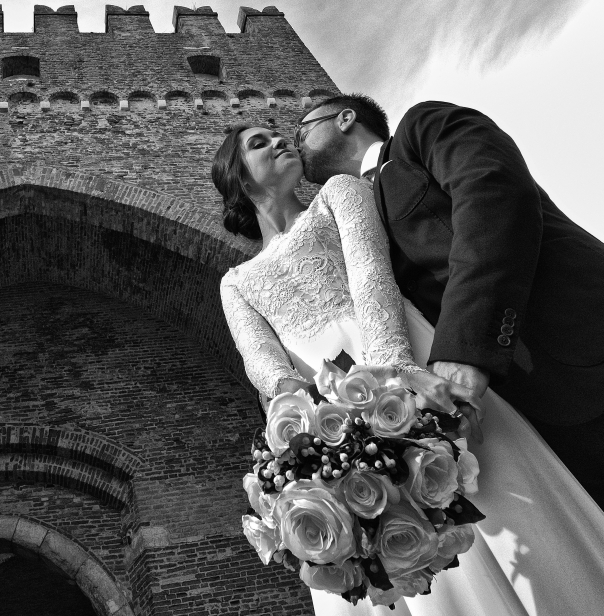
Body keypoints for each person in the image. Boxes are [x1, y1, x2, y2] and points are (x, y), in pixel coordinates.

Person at [214, 123, 604, 615]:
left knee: (494, 490)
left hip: (399, 347)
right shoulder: (235, 283)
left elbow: (372, 276)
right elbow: (269, 372)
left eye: (279, 133)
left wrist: (394, 372)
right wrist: (305, 450)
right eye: (258, 142)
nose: (279, 140)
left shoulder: (338, 193)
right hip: (322, 407)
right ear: (239, 178)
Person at [294, 95, 604, 506]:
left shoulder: (422, 129)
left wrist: (467, 348)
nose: (293, 144)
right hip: (525, 421)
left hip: (578, 339)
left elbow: (493, 193)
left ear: (345, 118)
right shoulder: (349, 229)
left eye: (301, 132)